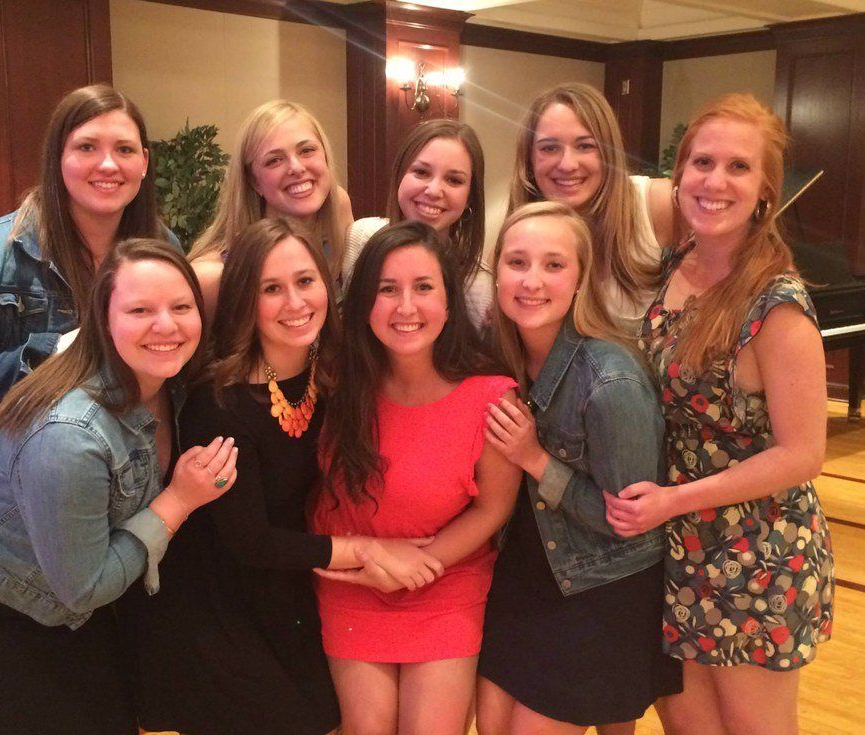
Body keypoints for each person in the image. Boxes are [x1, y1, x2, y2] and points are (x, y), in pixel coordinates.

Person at [0, 239, 237, 735]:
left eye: (182, 307)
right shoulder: (69, 434)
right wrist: (179, 500)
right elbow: (84, 589)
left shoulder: (170, 380)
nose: (166, 325)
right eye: (140, 310)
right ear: (102, 320)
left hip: (55, 579)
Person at [124, 219, 441, 735]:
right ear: (245, 301)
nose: (295, 302)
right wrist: (368, 550)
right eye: (271, 289)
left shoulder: (332, 371)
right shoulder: (219, 404)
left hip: (293, 591)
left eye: (305, 281)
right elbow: (250, 543)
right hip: (222, 609)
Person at [603, 94, 835, 735]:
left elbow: (803, 455)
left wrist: (674, 502)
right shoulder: (675, 265)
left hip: (757, 553)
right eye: (702, 162)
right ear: (678, 175)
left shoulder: (776, 305)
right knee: (688, 724)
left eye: (739, 167)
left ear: (765, 191)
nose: (715, 181)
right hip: (678, 546)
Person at [474, 201, 681, 735]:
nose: (532, 281)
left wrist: (534, 458)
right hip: (524, 575)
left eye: (554, 265)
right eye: (517, 262)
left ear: (580, 280)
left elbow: (629, 524)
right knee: (491, 723)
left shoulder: (610, 382)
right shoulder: (499, 355)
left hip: (598, 587)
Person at [312, 221, 522, 734]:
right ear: (365, 303)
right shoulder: (335, 383)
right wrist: (373, 562)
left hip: (446, 581)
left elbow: (494, 507)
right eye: (387, 289)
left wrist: (417, 566)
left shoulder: (491, 396)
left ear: (449, 303)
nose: (406, 307)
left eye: (424, 287)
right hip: (352, 582)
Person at [0, 84, 174, 456]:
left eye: (124, 149)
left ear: (145, 162)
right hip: (14, 473)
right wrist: (55, 350)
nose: (108, 164)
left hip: (131, 467)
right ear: (57, 157)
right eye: (87, 147)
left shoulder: (163, 247)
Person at [508, 82, 681, 335]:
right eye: (549, 148)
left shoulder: (656, 204)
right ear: (529, 159)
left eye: (585, 146)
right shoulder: (519, 236)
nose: (567, 164)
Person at [188, 99, 353, 317]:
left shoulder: (338, 207)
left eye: (307, 150)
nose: (296, 168)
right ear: (253, 181)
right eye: (274, 160)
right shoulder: (214, 277)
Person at [341, 118, 492, 328]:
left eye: (454, 180)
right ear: (400, 175)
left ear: (470, 197)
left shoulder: (478, 286)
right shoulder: (362, 237)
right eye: (421, 172)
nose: (434, 191)